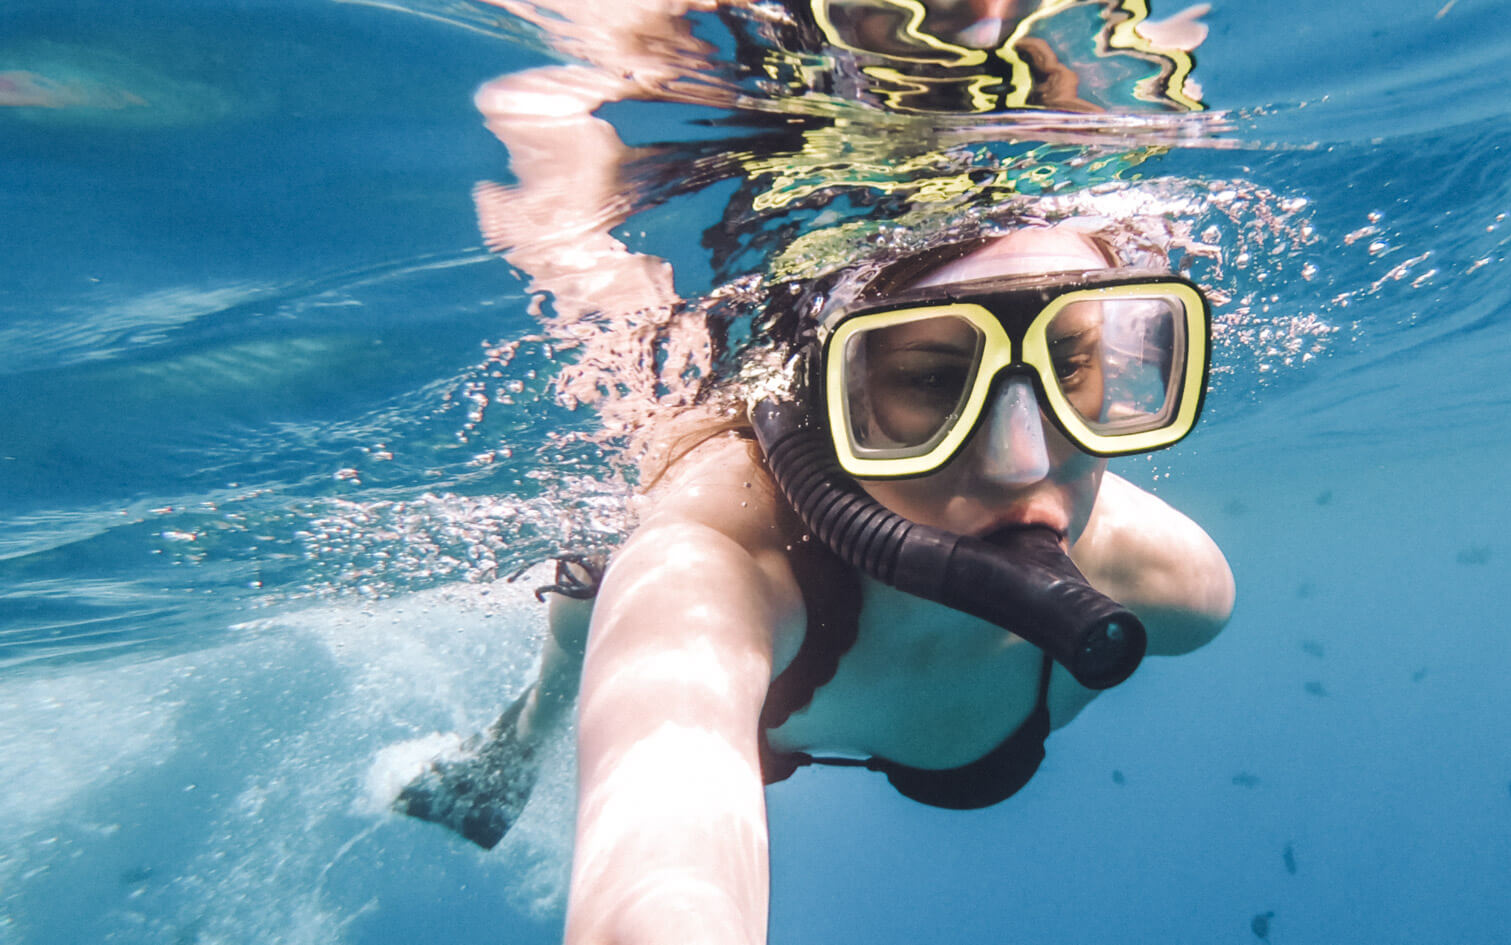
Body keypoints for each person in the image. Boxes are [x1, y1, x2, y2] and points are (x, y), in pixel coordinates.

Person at [395, 224, 1234, 945]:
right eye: (933, 379)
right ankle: (520, 735)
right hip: (721, 590)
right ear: (821, 405)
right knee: (595, 612)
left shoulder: (1171, 582)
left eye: (1071, 360)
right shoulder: (711, 560)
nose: (1025, 462)